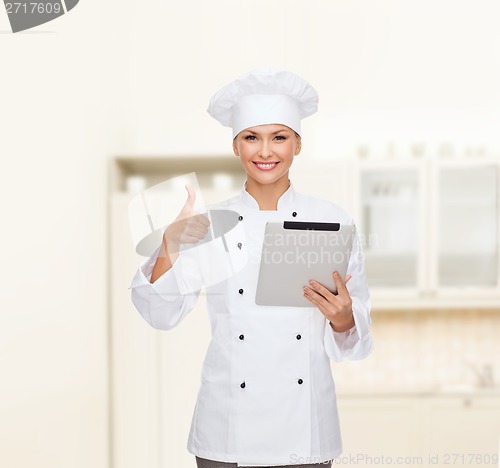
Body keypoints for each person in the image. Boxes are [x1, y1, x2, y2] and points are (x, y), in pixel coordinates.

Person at [129, 68, 373, 468]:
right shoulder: (212, 223)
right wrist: (170, 242)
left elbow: (355, 333)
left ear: (297, 145)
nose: (265, 152)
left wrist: (345, 319)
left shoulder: (333, 221)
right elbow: (160, 313)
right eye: (251, 138)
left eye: (279, 137)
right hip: (228, 428)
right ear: (235, 146)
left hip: (305, 430)